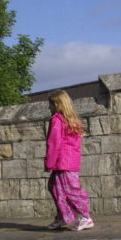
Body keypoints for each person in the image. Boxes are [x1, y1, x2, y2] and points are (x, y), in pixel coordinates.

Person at [44, 89, 94, 231]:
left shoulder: (56, 120)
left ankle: (85, 217)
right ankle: (63, 216)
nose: (49, 108)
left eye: (50, 104)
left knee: (71, 190)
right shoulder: (72, 120)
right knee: (54, 187)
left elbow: (54, 143)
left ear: (57, 104)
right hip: (68, 162)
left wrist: (49, 163)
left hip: (63, 163)